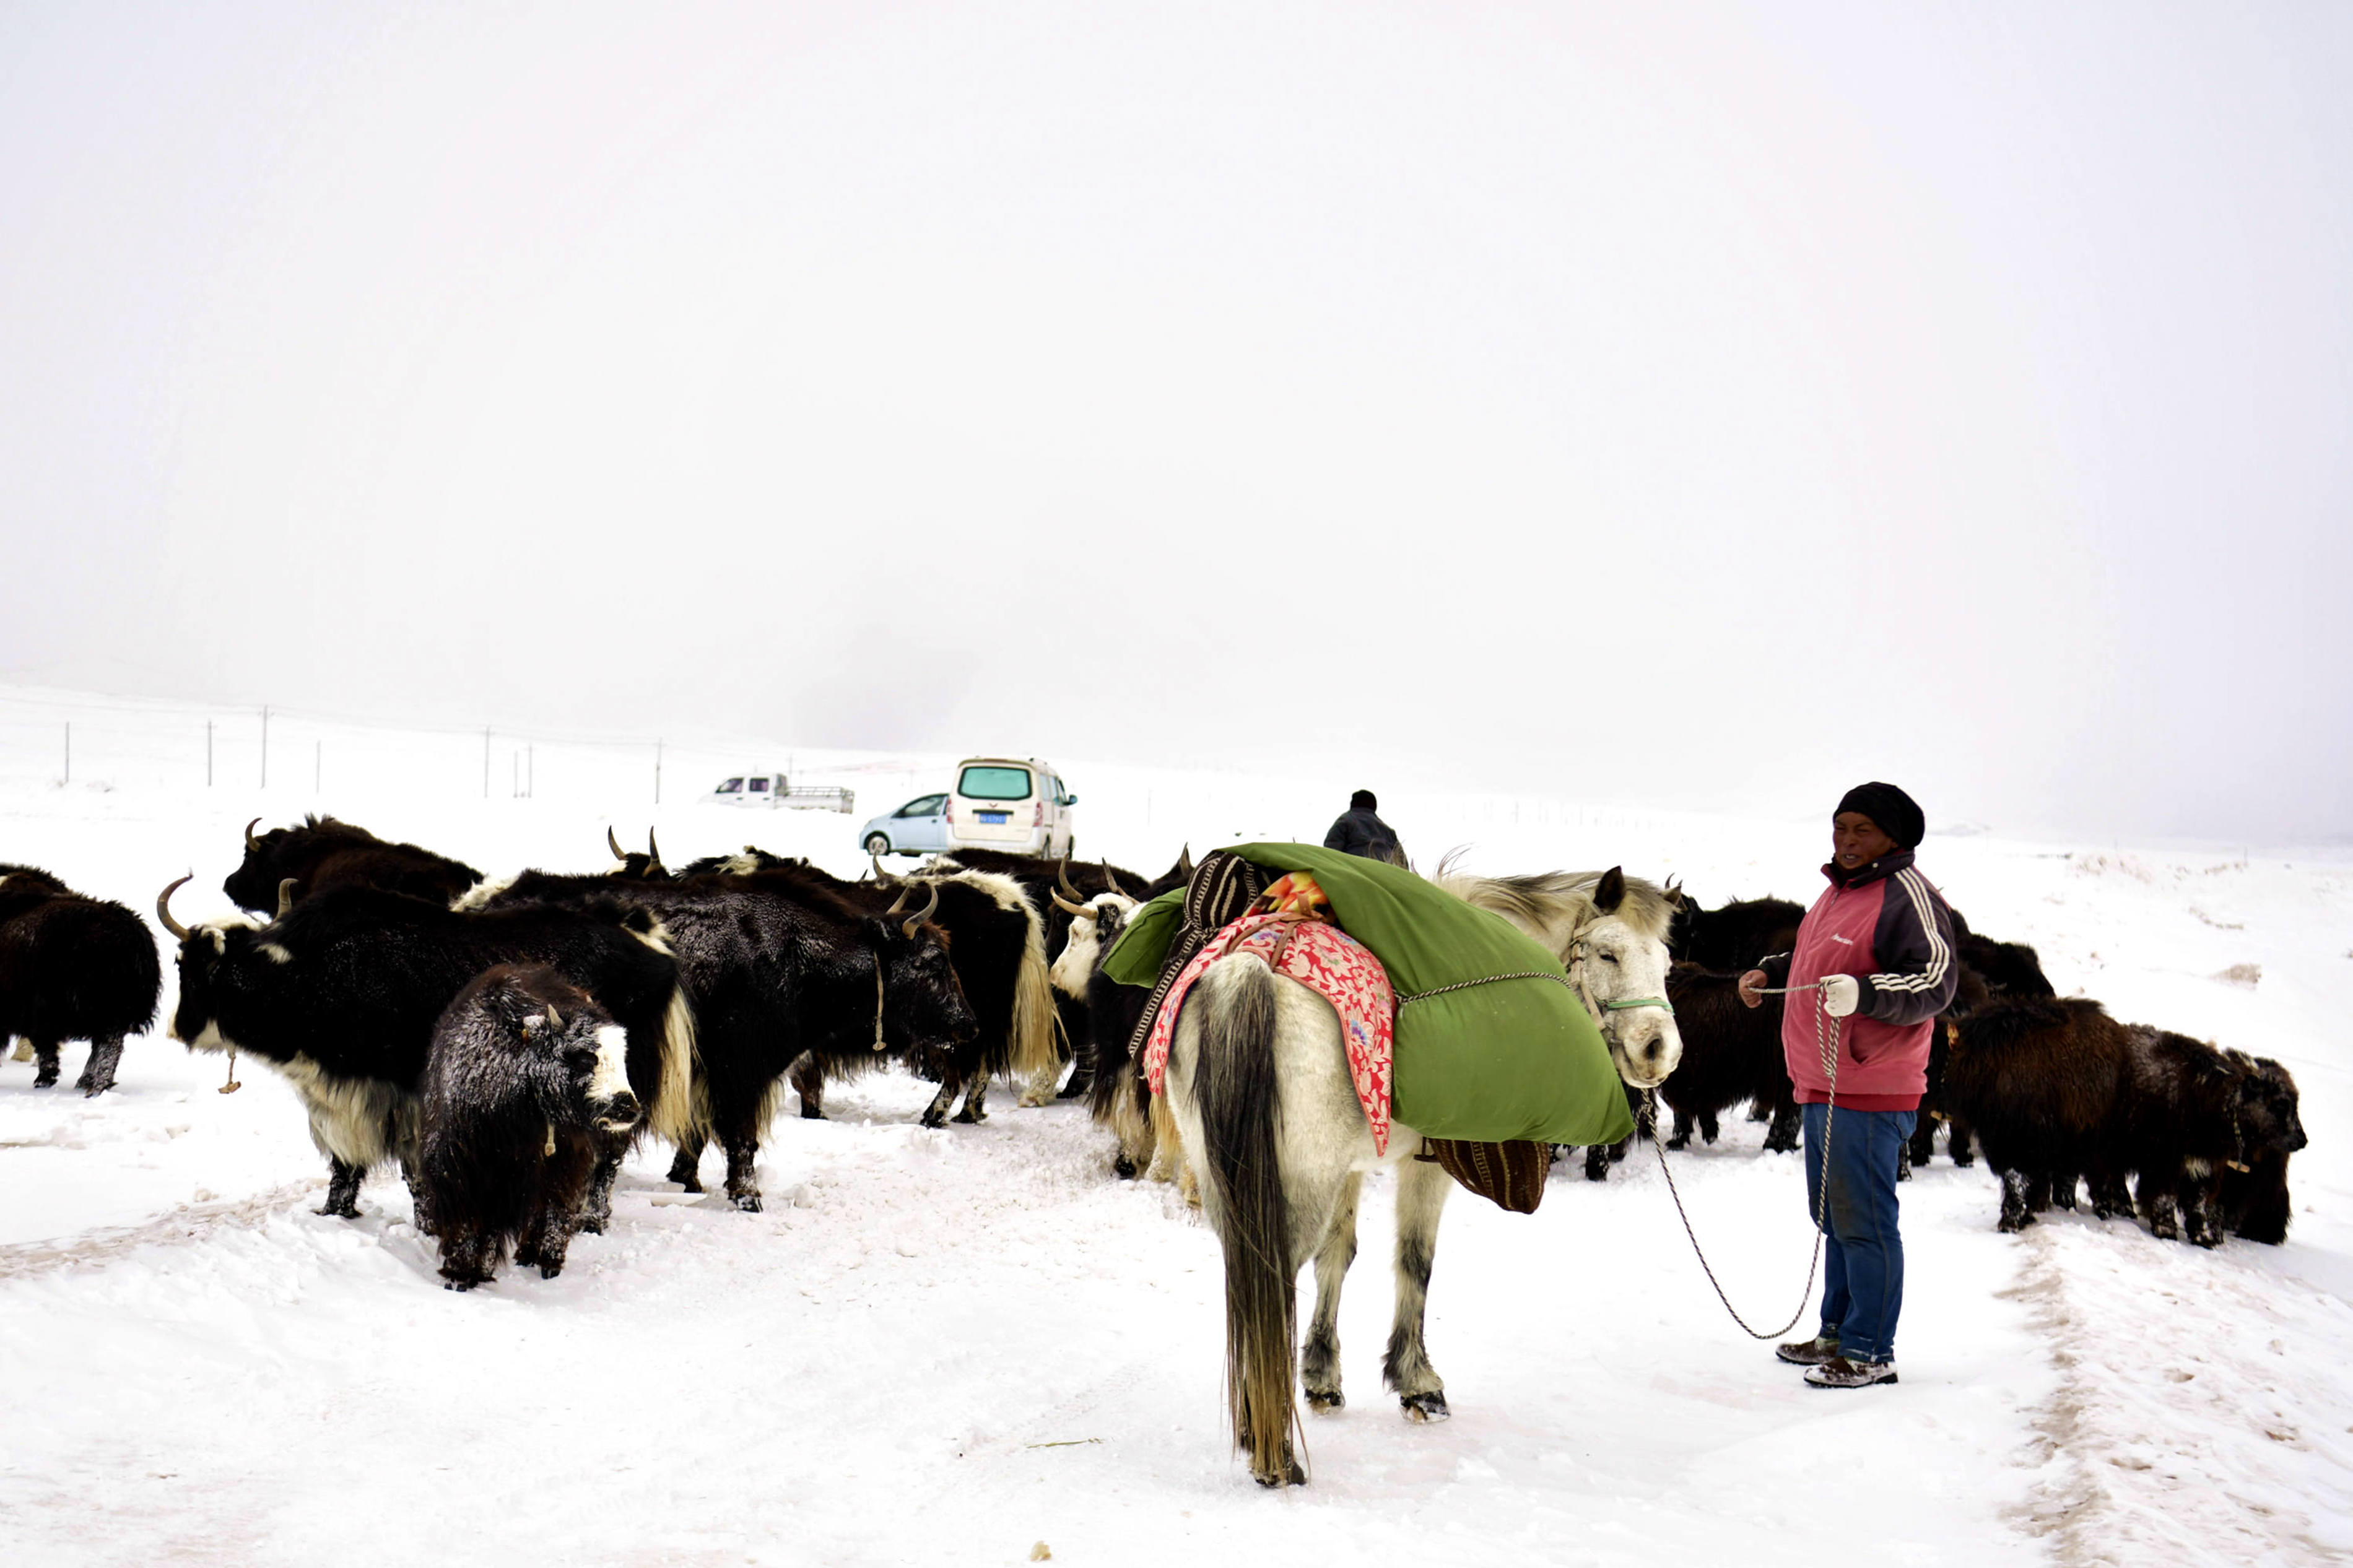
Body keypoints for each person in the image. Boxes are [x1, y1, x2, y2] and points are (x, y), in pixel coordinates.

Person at [1738, 782, 1955, 1390]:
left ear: (1894, 836)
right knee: (1833, 1216)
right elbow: (1818, 961)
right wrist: (1771, 972)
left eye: (1861, 830)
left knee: (1863, 1222)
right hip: (1820, 1082)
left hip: (1869, 1085)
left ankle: (1868, 1349)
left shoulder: (1907, 896)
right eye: (1840, 828)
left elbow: (1935, 982)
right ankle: (1836, 1331)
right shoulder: (1837, 891)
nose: (1847, 841)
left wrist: (1865, 995)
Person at [1322, 789, 1402, 863]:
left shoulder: (1345, 820)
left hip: (1356, 871)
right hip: (1385, 873)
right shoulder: (1389, 831)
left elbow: (1331, 852)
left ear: (1353, 804)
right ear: (1374, 806)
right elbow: (1402, 862)